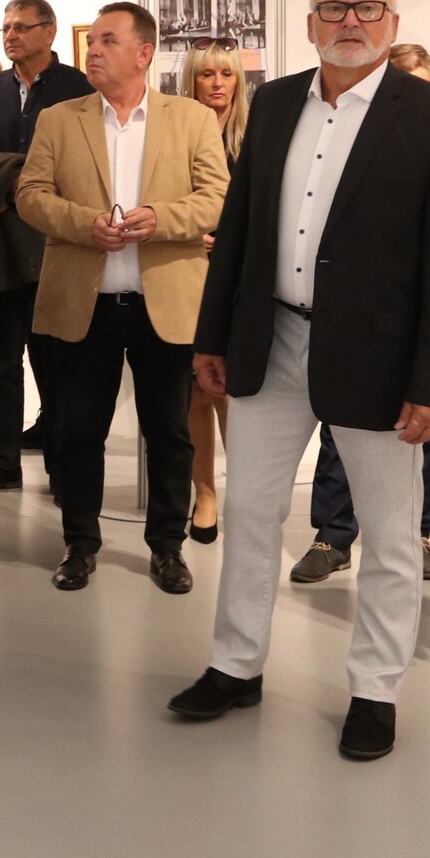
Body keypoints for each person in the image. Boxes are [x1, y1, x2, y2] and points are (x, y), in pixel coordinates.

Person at [171, 0, 430, 761]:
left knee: (390, 532)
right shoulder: (275, 103)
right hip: (269, 337)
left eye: (367, 8)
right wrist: (212, 334)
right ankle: (236, 664)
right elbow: (239, 228)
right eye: (334, 8)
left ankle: (375, 688)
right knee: (250, 512)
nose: (351, 20)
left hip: (379, 356)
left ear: (391, 21)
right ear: (310, 24)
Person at [15, 2, 228, 594]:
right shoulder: (59, 119)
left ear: (144, 53)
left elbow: (217, 197)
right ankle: (80, 545)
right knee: (78, 433)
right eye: (93, 42)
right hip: (84, 306)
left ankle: (167, 548)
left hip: (167, 305)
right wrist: (85, 225)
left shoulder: (191, 119)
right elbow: (29, 195)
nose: (94, 51)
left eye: (108, 40)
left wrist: (160, 218)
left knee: (171, 435)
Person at [295, 43, 430, 584]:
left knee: (425, 427)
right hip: (357, 313)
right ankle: (333, 534)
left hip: (421, 315)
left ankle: (420, 532)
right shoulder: (352, 143)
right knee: (340, 424)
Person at [0, 0, 94, 499]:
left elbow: (80, 165)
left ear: (49, 31)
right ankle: (3, 463)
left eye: (20, 27)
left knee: (53, 359)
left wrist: (10, 173)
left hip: (53, 242)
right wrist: (21, 175)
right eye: (5, 28)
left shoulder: (76, 87)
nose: (10, 36)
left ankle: (60, 464)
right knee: (0, 359)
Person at [181, 38, 252, 545]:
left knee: (231, 388)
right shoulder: (180, 130)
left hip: (242, 279)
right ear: (192, 80)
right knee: (195, 390)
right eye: (207, 74)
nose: (218, 83)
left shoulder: (255, 135)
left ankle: (244, 495)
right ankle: (204, 494)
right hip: (189, 273)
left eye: (226, 74)